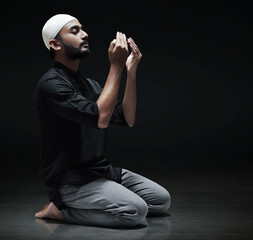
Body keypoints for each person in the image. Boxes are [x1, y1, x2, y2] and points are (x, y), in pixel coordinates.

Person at [34, 14, 171, 228]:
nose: (85, 33)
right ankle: (59, 212)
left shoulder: (90, 85)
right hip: (69, 180)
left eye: (83, 29)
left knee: (161, 200)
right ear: (54, 44)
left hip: (99, 172)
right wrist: (115, 67)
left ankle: (102, 200)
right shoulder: (51, 84)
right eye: (75, 30)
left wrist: (130, 70)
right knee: (135, 211)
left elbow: (128, 118)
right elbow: (100, 118)